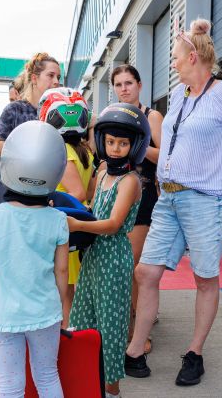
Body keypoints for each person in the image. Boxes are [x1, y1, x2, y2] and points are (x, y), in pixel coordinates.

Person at [124, 17, 222, 386]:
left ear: (193, 57)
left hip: (206, 201)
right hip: (169, 199)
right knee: (146, 272)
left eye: (175, 57)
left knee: (205, 278)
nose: (172, 64)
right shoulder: (180, 95)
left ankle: (194, 353)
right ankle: (134, 349)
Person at [0, 120, 70, 397]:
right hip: (45, 312)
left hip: (4, 314)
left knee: (10, 384)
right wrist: (59, 307)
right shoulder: (58, 219)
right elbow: (62, 271)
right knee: (47, 375)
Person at [67, 103, 150, 398]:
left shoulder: (130, 181)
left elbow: (114, 224)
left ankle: (112, 389)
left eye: (123, 143)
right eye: (111, 142)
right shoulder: (102, 174)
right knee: (82, 319)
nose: (115, 149)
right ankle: (87, 382)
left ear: (134, 145)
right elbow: (93, 208)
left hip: (113, 258)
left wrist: (76, 224)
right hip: (92, 256)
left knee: (111, 326)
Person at [111, 64, 163, 354]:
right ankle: (136, 318)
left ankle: (136, 333)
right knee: (123, 264)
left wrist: (136, 148)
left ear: (139, 85)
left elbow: (166, 154)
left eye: (129, 82)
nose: (124, 89)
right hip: (117, 194)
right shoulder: (112, 116)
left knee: (133, 263)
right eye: (118, 84)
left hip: (143, 196)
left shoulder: (151, 115)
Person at [39, 87, 95, 308]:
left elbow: (78, 193)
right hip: (76, 223)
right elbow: (89, 191)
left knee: (65, 293)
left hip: (66, 225)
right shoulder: (83, 150)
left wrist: (50, 204)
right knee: (70, 290)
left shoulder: (62, 150)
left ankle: (65, 335)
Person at [0, 52, 61, 155]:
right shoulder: (16, 109)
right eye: (51, 75)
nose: (56, 81)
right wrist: (25, 151)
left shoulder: (60, 111)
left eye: (58, 77)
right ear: (34, 79)